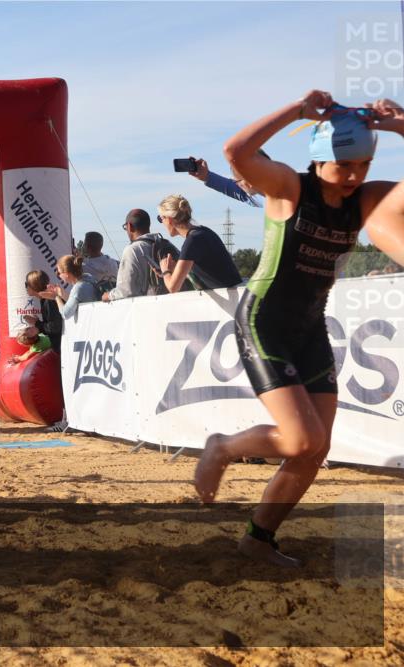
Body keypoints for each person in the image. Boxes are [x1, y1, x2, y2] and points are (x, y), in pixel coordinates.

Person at [194, 90, 403, 568]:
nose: (353, 177)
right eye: (343, 166)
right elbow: (235, 153)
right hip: (264, 321)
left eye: (363, 165)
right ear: (319, 159)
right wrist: (296, 110)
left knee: (315, 449)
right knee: (301, 439)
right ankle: (222, 447)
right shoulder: (290, 188)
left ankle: (258, 538)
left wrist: (397, 123)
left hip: (310, 329)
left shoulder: (366, 198)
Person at [156, 194, 243, 292]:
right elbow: (211, 272)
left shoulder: (192, 241)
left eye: (161, 219)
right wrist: (174, 270)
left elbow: (173, 288)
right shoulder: (203, 232)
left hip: (233, 300)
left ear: (169, 220)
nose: (162, 223)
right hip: (238, 294)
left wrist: (165, 271)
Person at [102, 209, 180, 301]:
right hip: (173, 303)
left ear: (129, 226)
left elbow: (126, 291)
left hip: (147, 308)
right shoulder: (167, 244)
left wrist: (108, 296)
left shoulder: (132, 250)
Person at [186, 156, 264, 208]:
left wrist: (207, 177)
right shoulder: (260, 197)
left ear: (249, 182)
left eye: (238, 182)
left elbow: (228, 148)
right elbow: (236, 190)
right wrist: (206, 176)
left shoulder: (265, 198)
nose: (239, 186)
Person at [23, 270, 62, 355]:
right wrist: (38, 324)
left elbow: (55, 327)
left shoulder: (49, 300)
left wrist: (36, 323)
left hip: (63, 347)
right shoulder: (45, 299)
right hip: (60, 346)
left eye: (27, 284)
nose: (25, 287)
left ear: (34, 285)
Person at [51, 254, 100, 320]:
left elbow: (65, 314)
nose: (58, 275)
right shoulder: (89, 278)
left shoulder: (78, 287)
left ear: (66, 274)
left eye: (59, 272)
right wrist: (62, 294)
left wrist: (56, 297)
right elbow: (77, 300)